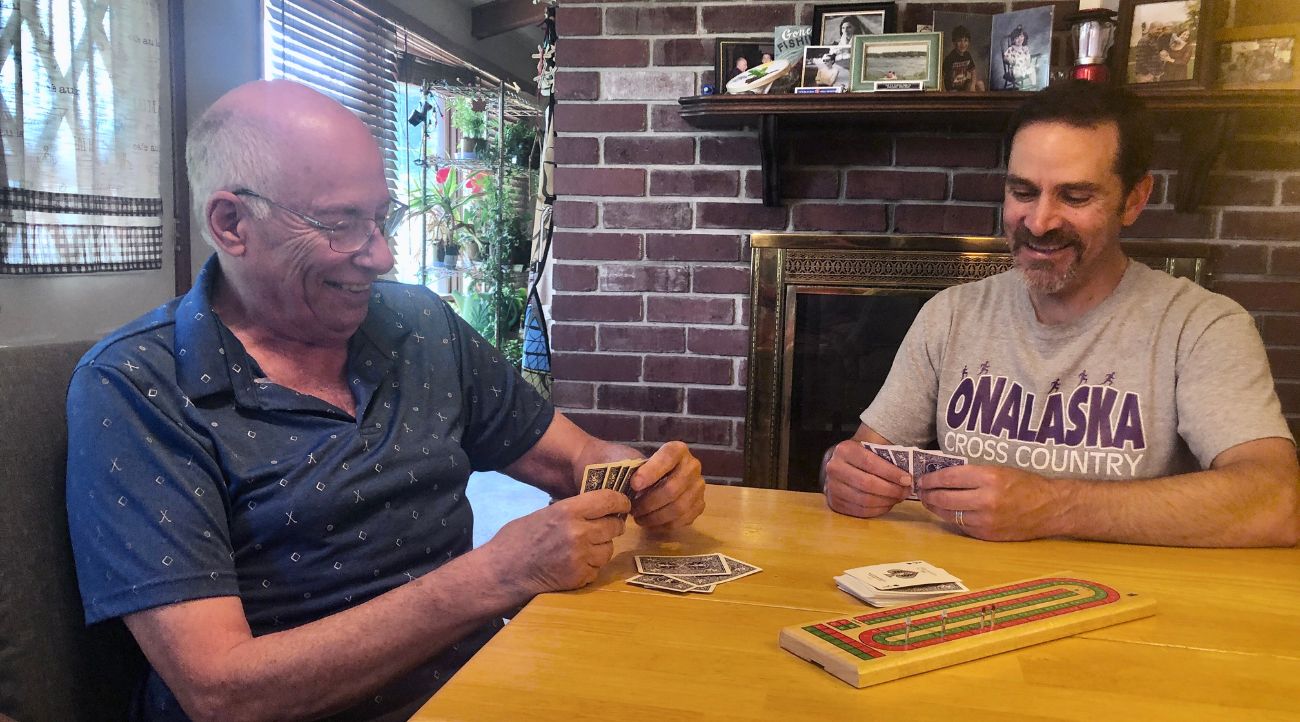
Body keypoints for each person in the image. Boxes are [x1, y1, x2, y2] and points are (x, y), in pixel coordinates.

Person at [65, 80, 708, 722]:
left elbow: (577, 459)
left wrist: (646, 479)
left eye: (382, 217)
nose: (381, 254)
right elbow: (222, 691)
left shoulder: (421, 324)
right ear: (232, 224)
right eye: (342, 223)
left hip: (482, 687)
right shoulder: (135, 387)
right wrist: (495, 576)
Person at [821, 81, 1298, 548]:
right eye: (1023, 191)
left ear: (1134, 199)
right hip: (958, 600)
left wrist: (1054, 506)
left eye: (1075, 197)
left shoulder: (1201, 326)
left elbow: (1278, 502)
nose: (1039, 222)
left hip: (1125, 608)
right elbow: (865, 457)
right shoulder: (949, 315)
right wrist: (842, 474)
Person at [942, 25, 986, 91]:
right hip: (953, 87)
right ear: (954, 42)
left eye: (965, 41)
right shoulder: (950, 58)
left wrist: (973, 85)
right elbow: (942, 76)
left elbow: (973, 72)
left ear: (969, 42)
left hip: (964, 84)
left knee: (980, 84)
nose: (963, 44)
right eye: (959, 41)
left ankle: (983, 101)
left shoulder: (967, 55)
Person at [1000, 25, 1035, 89]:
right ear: (1013, 40)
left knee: (1032, 69)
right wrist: (1009, 60)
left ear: (1024, 37)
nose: (1019, 39)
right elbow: (1005, 58)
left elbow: (1028, 61)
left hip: (1024, 69)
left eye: (1021, 36)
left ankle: (1033, 86)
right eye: (1017, 38)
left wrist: (1027, 56)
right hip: (1015, 70)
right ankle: (1020, 87)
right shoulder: (1011, 49)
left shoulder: (1025, 49)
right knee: (1015, 73)